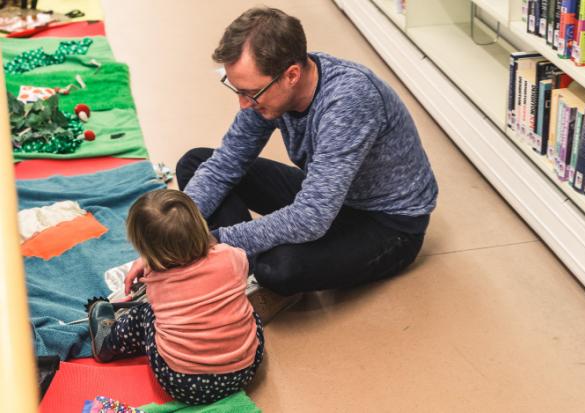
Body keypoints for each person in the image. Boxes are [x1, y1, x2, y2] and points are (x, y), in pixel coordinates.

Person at [176, 7, 438, 297]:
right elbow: (225, 164)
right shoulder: (266, 91)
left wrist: (215, 240)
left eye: (250, 93)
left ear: (291, 75)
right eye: (236, 89)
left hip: (388, 223)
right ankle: (236, 263)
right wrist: (174, 232)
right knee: (196, 163)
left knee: (278, 269)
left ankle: (232, 261)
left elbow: (312, 216)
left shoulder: (349, 100)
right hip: (331, 197)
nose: (243, 104)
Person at [88, 189, 264, 405]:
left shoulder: (156, 280)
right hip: (245, 371)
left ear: (145, 250)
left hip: (184, 385)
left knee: (145, 314)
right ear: (200, 224)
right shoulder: (232, 256)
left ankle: (106, 343)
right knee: (247, 310)